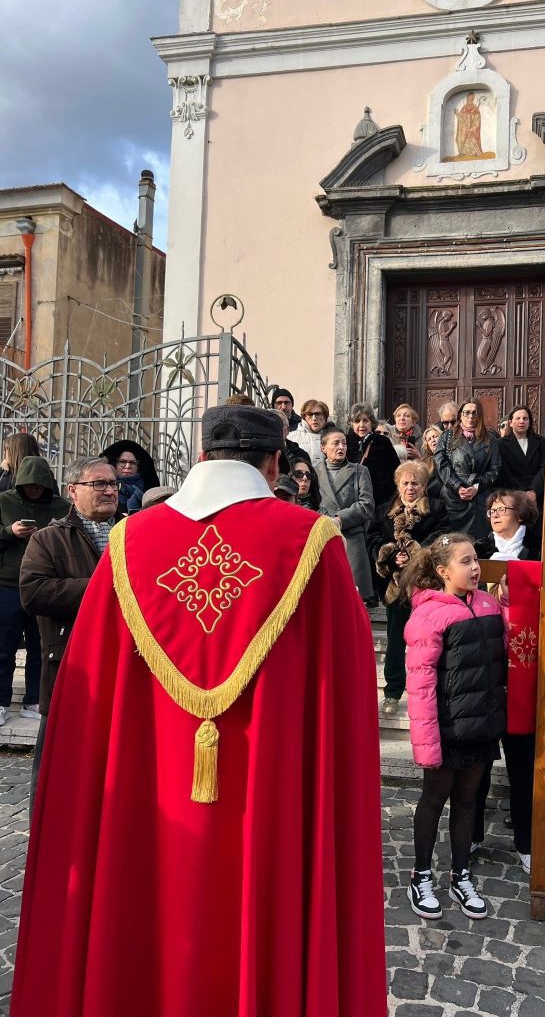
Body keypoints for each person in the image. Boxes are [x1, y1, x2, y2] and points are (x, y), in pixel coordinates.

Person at [11, 405, 386, 1017]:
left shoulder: (131, 543)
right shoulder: (312, 542)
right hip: (270, 800)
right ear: (273, 464)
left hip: (149, 795)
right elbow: (341, 700)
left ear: (203, 457)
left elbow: (89, 698)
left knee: (141, 905)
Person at [402, 533, 506, 921]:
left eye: (476, 559)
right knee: (435, 799)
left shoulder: (489, 605)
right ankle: (422, 875)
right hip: (445, 729)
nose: (475, 567)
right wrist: (427, 744)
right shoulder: (428, 614)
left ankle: (461, 875)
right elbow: (421, 684)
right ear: (443, 571)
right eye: (465, 561)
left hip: (481, 725)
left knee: (468, 801)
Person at [18, 457, 119, 815]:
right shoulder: (48, 539)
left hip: (126, 666)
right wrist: (103, 588)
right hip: (69, 668)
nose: (109, 490)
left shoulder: (134, 532)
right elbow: (34, 593)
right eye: (98, 484)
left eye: (113, 484)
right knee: (54, 772)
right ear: (73, 491)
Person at [472, 488, 541, 871]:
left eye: (504, 508)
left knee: (522, 764)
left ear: (522, 514)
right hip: (481, 667)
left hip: (523, 668)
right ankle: (473, 833)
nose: (496, 513)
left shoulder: (538, 554)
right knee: (477, 762)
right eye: (492, 509)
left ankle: (527, 842)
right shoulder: (477, 549)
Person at [367, 461, 450, 716]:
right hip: (395, 585)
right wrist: (392, 556)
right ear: (398, 484)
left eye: (416, 483)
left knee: (429, 641)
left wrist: (415, 553)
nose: (410, 487)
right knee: (394, 640)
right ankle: (393, 692)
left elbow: (441, 537)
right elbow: (373, 540)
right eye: (405, 482)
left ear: (424, 486)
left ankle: (432, 691)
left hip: (426, 585)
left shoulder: (436, 508)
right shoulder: (384, 511)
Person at [0, 456, 69, 729]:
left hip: (44, 585)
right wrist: (9, 531)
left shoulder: (61, 506)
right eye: (28, 485)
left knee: (41, 647)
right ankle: (2, 702)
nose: (34, 489)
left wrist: (46, 535)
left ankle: (34, 700)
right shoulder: (4, 501)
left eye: (38, 485)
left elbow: (68, 535)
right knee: (4, 647)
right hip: (8, 584)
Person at [316, 429, 376, 603]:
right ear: (323, 448)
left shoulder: (359, 471)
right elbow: (308, 503)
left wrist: (340, 519)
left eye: (344, 443)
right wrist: (324, 522)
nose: (341, 447)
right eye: (335, 443)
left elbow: (367, 505)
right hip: (322, 538)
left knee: (353, 599)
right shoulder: (313, 473)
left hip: (352, 540)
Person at [434, 398, 500, 538]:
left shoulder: (491, 438)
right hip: (454, 497)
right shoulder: (447, 436)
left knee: (478, 544)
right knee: (453, 544)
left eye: (475, 413)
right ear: (460, 415)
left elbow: (495, 469)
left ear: (480, 415)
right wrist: (457, 487)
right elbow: (441, 464)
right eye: (467, 412)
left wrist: (477, 487)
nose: (470, 416)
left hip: (480, 496)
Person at [345, 402, 399, 507]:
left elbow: (394, 470)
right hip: (350, 499)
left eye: (365, 420)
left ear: (372, 422)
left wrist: (384, 491)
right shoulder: (345, 441)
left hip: (377, 499)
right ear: (351, 424)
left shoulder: (383, 442)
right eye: (357, 421)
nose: (361, 425)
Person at [497, 405, 545, 504]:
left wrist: (534, 490)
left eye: (525, 418)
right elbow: (504, 471)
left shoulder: (541, 442)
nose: (522, 421)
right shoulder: (501, 444)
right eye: (518, 418)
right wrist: (521, 493)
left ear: (529, 422)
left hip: (537, 494)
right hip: (512, 494)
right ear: (510, 423)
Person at [102, 439, 160, 515]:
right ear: (114, 464)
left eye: (133, 463)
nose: (128, 466)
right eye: (122, 462)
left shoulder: (149, 490)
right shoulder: (104, 488)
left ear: (138, 466)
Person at [287, 398, 334, 467]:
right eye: (309, 414)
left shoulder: (333, 437)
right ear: (304, 417)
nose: (314, 418)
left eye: (318, 414)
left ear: (325, 417)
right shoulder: (291, 437)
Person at [420, 424, 444, 498]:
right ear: (427, 445)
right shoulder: (423, 461)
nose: (433, 440)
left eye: (435, 436)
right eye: (429, 439)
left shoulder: (451, 455)